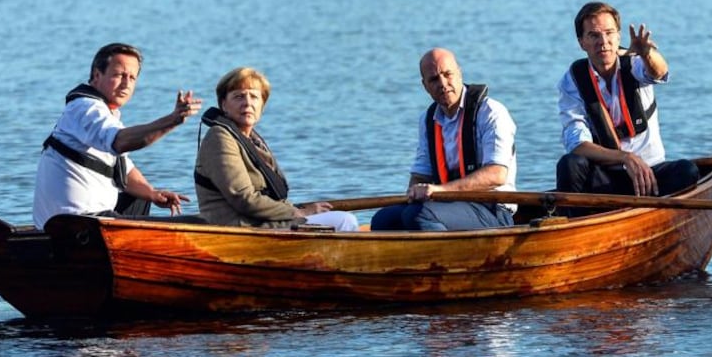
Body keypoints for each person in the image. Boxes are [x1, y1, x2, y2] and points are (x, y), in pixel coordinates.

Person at [33, 42, 202, 228]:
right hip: (78, 225)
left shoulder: (106, 114)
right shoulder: (85, 108)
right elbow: (119, 142)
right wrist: (172, 120)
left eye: (132, 78)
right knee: (198, 223)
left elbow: (124, 170)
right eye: (119, 75)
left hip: (81, 223)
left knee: (139, 197)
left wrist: (152, 193)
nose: (126, 83)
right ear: (97, 75)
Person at [556, 1, 699, 205]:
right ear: (582, 43)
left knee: (688, 171)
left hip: (650, 175)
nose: (603, 42)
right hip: (606, 180)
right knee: (569, 164)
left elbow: (659, 72)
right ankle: (577, 225)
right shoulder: (573, 80)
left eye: (609, 33)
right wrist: (624, 157)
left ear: (618, 36)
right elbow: (577, 144)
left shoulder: (635, 62)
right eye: (594, 35)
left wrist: (647, 53)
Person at [193, 67, 359, 231]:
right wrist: (297, 212)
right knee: (345, 221)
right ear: (224, 105)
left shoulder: (252, 140)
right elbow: (243, 199)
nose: (248, 103)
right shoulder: (220, 137)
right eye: (239, 96)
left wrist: (300, 210)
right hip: (241, 227)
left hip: (261, 222)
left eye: (254, 97)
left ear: (262, 105)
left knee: (338, 217)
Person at [371, 48, 518, 231]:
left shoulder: (491, 112)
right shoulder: (428, 120)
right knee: (382, 220)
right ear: (425, 86)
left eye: (447, 74)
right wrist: (414, 192)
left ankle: (448, 258)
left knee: (418, 214)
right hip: (448, 205)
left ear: (459, 74)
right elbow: (420, 175)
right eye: (433, 79)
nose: (442, 83)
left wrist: (441, 191)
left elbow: (496, 175)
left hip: (493, 210)